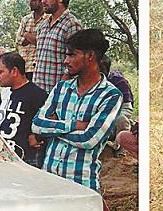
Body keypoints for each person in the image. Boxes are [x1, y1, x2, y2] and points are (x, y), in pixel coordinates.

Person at [32, 29, 123, 192]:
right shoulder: (61, 88)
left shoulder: (111, 95)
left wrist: (53, 128)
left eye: (72, 55)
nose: (66, 61)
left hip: (81, 186)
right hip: (48, 182)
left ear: (90, 56)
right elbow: (37, 125)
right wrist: (75, 125)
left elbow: (89, 139)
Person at [0, 52, 48, 167]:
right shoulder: (4, 93)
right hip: (1, 156)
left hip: (25, 159)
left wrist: (38, 137)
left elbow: (50, 121)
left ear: (14, 71)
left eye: (0, 72)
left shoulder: (37, 95)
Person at [33, 0, 81, 93]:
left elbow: (76, 59)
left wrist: (60, 89)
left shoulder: (71, 24)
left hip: (58, 93)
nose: (43, 1)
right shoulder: (43, 25)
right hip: (38, 92)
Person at [16, 0, 48, 81]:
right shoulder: (25, 19)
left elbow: (45, 42)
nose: (30, 2)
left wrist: (26, 34)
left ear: (42, 1)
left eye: (33, 0)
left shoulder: (48, 19)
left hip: (38, 67)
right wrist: (35, 38)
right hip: (23, 66)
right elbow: (18, 40)